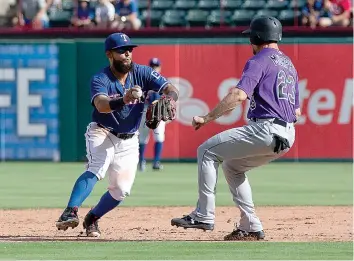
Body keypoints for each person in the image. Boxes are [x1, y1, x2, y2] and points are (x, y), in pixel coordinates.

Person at [171, 16, 301, 241]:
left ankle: (204, 215)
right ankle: (250, 224)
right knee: (232, 167)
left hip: (267, 128)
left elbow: (239, 95)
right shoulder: (289, 65)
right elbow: (297, 111)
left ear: (256, 37)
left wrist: (207, 117)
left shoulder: (259, 60)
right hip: (287, 134)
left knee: (206, 151)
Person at [56, 33, 179, 237]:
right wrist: (124, 98)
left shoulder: (143, 72)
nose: (128, 53)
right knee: (97, 166)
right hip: (102, 131)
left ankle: (92, 218)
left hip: (129, 139)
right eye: (122, 50)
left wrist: (169, 99)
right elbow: (102, 105)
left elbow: (170, 88)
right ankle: (70, 211)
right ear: (109, 54)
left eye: (129, 49)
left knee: (121, 190)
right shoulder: (100, 78)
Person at [138, 58, 166, 171]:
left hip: (159, 111)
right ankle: (141, 162)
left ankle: (156, 162)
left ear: (160, 67)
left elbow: (168, 99)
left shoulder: (163, 81)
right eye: (152, 66)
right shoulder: (143, 81)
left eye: (156, 66)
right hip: (145, 110)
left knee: (159, 136)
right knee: (142, 138)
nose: (154, 68)